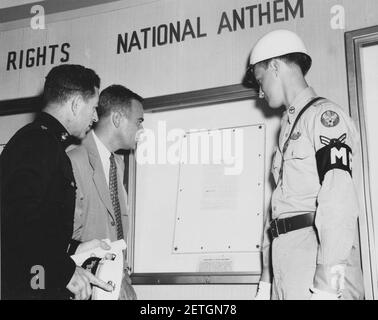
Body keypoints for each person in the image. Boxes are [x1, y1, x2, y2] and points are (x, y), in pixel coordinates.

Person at [245, 30, 364, 300]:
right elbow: (279, 211)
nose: (260, 93)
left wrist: (327, 284)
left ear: (275, 66)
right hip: (288, 266)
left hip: (316, 264)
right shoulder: (288, 129)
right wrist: (266, 281)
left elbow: (339, 200)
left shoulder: (323, 117)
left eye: (261, 80)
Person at [1, 64, 114, 300]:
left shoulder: (42, 143)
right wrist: (64, 272)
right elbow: (19, 222)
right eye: (93, 108)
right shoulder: (38, 144)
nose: (95, 117)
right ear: (75, 105)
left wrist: (74, 248)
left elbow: (40, 228)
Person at [67, 84, 144, 300]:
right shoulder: (74, 160)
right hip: (85, 288)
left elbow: (115, 229)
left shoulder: (117, 164)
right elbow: (63, 239)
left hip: (114, 284)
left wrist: (121, 276)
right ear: (118, 118)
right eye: (139, 121)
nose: (141, 129)